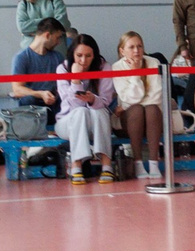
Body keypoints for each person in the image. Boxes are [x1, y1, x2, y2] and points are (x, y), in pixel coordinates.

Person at [53, 38, 116, 181]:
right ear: (72, 55)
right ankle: (76, 166)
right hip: (67, 122)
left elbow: (106, 101)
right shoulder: (62, 68)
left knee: (99, 110)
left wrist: (92, 99)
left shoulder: (104, 67)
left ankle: (106, 166)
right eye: (79, 55)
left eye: (88, 56)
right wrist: (76, 80)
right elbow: (72, 104)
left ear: (94, 55)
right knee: (80, 111)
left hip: (96, 122)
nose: (83, 60)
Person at [111, 30, 170, 177]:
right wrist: (135, 74)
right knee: (137, 110)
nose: (137, 50)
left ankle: (153, 163)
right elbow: (127, 98)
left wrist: (128, 104)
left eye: (140, 46)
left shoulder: (153, 62)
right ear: (122, 50)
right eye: (131, 47)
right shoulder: (117, 67)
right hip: (130, 118)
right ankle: (138, 163)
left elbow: (156, 95)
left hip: (152, 117)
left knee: (150, 109)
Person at [8, 20, 68, 120]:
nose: (58, 42)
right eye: (57, 38)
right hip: (33, 103)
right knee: (29, 100)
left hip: (53, 102)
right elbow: (17, 89)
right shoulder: (22, 57)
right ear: (48, 35)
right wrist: (40, 94)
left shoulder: (58, 57)